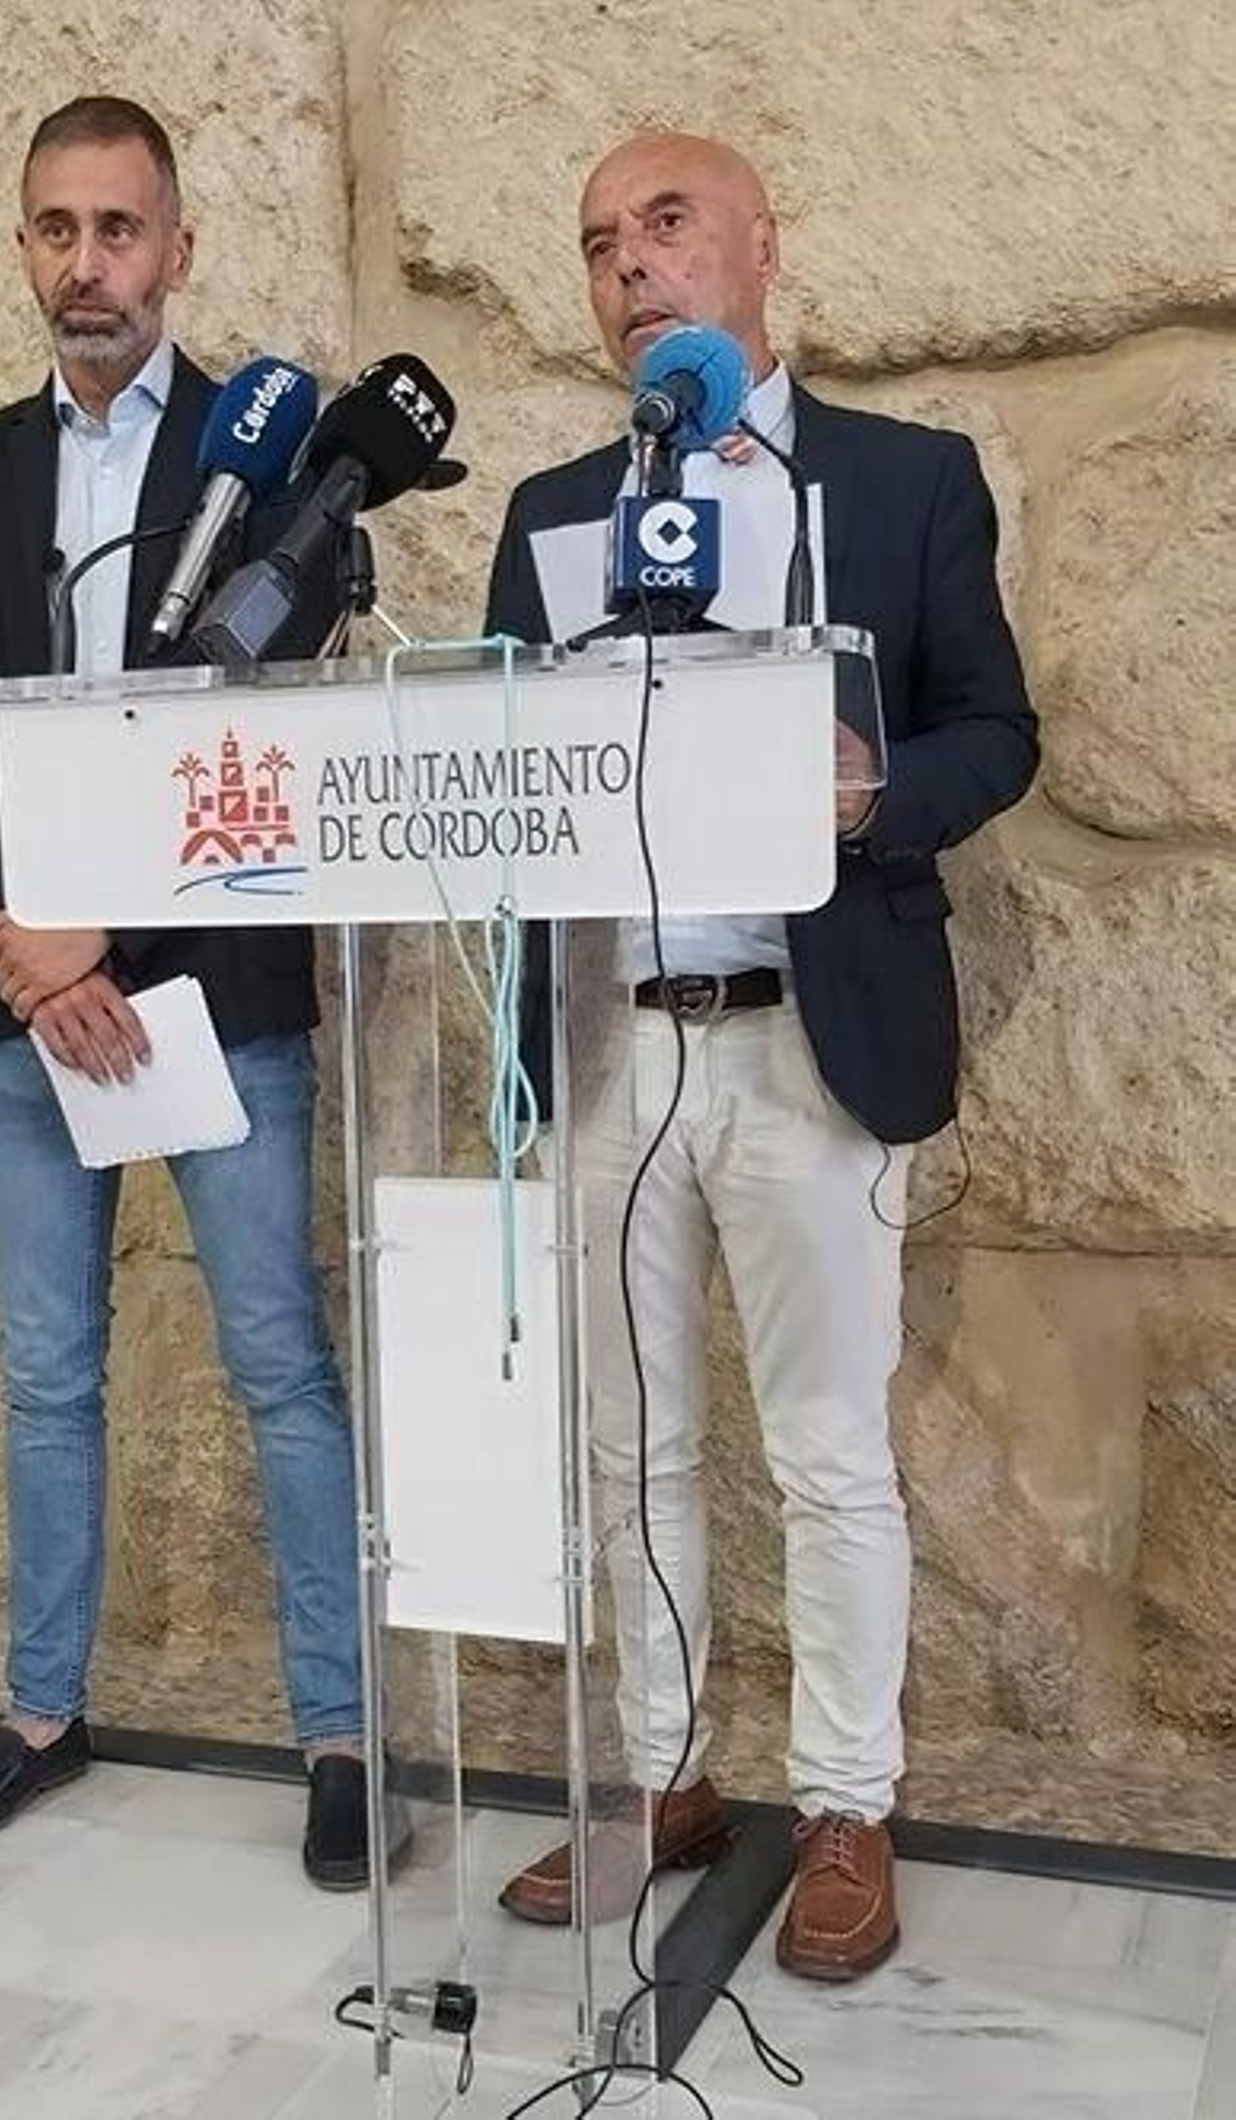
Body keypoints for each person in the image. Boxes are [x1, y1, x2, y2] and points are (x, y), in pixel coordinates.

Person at [484, 132, 1038, 1976]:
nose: (630, 269)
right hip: (615, 1053)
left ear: (758, 253)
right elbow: (500, 774)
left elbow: (998, 731)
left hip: (815, 1044)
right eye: (595, 247)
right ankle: (663, 1777)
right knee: (635, 1453)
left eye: (664, 226)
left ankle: (849, 1806)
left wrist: (874, 792)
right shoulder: (555, 514)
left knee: (824, 1454)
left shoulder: (904, 482)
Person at [0, 95, 379, 1889]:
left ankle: (337, 1734)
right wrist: (20, 937)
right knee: (45, 1375)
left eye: (118, 229)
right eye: (54, 229)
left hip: (213, 995)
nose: (85, 264)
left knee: (280, 1365)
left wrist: (115, 935)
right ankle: (43, 1713)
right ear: (23, 248)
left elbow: (264, 729)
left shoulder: (272, 461)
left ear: (177, 250)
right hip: (26, 1002)